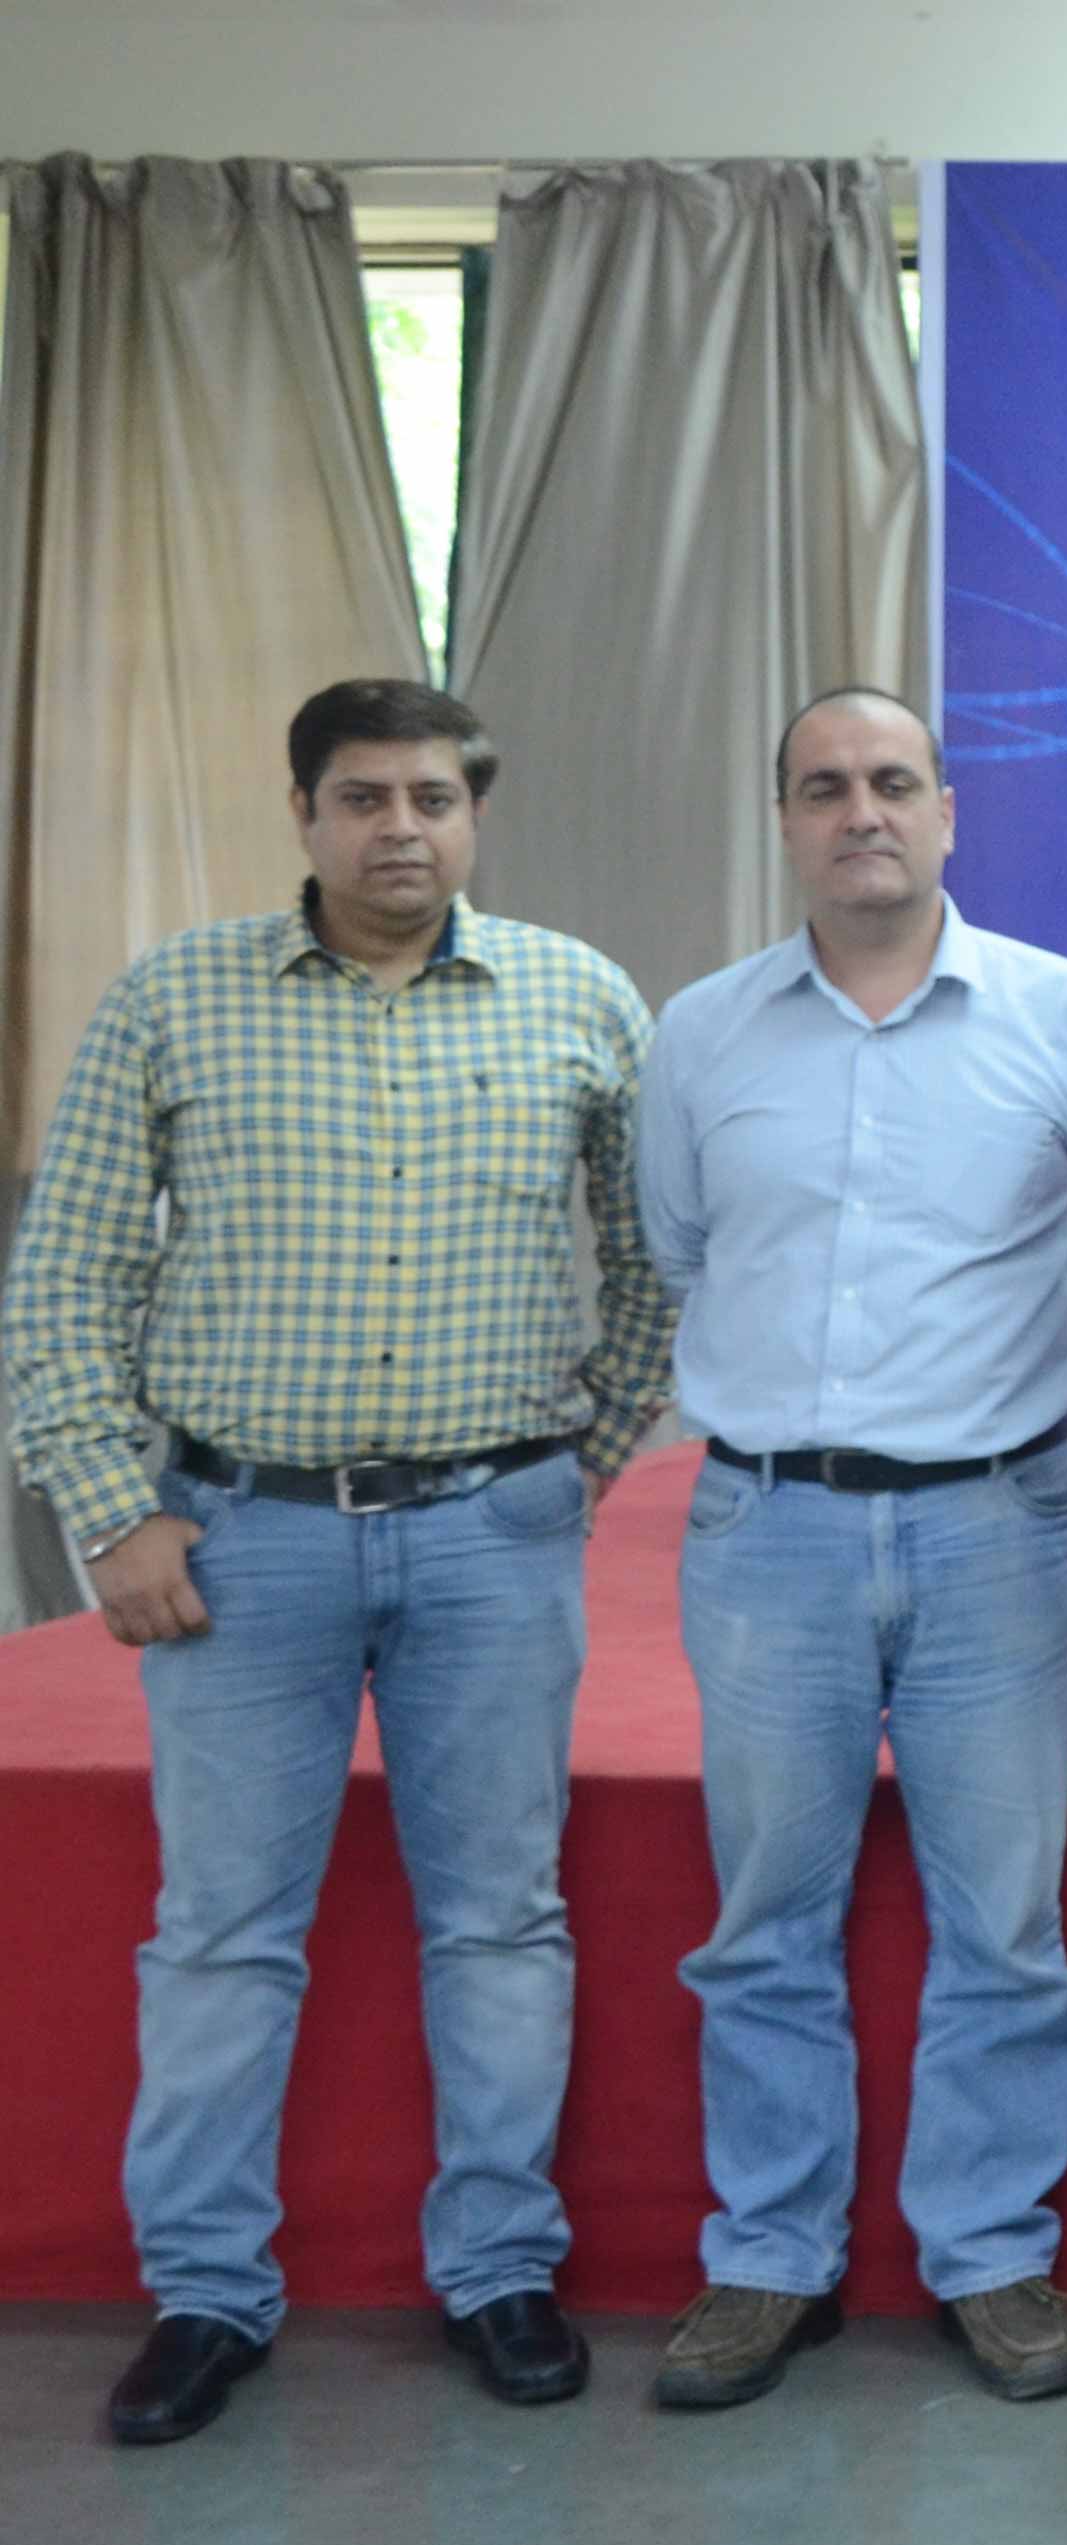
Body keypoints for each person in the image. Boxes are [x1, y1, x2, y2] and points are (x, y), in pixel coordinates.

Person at [3, 678, 669, 2443]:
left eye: (432, 798)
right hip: (243, 1544)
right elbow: (62, 1274)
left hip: (492, 1538)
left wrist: (578, 1468)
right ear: (302, 813)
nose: (400, 829)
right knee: (222, 1933)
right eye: (362, 796)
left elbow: (658, 1263)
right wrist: (113, 1507)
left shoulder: (580, 999)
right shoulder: (174, 999)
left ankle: (498, 2271)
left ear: (474, 816)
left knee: (500, 1919)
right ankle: (205, 2295)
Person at [634, 687, 1067, 2411]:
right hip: (768, 1527)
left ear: (946, 813)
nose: (863, 811)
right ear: (785, 818)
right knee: (766, 1921)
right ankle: (770, 2260)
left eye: (894, 782)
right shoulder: (701, 1033)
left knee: (1006, 1925)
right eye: (826, 786)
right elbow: (680, 1244)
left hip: (1001, 1527)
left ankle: (989, 2256)